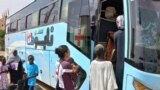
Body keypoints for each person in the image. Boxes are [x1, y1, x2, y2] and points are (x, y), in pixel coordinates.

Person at [114, 15, 125, 90]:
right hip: (128, 63)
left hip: (119, 65)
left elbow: (116, 48)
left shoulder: (116, 34)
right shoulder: (130, 34)